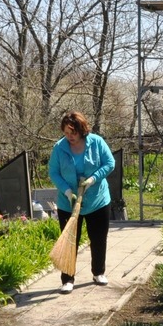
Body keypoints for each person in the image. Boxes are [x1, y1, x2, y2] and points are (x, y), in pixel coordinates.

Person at [48, 111, 116, 294]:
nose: (70, 136)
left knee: (98, 238)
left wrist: (93, 179)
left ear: (82, 130)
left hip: (97, 200)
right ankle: (67, 279)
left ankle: (98, 272)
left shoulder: (96, 142)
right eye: (66, 132)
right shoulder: (59, 148)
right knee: (70, 242)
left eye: (73, 132)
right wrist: (68, 191)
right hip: (68, 203)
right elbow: (53, 172)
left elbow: (110, 163)